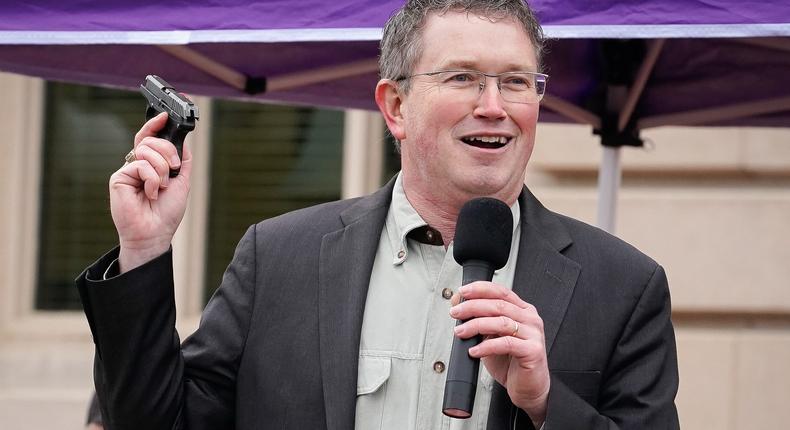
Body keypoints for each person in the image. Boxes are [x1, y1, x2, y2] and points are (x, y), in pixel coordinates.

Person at [76, 1, 680, 429]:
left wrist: (546, 404)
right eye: (464, 77)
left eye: (517, 82)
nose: (494, 107)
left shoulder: (624, 286)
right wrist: (145, 250)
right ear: (395, 106)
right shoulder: (280, 257)